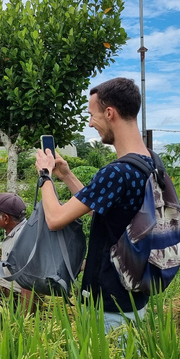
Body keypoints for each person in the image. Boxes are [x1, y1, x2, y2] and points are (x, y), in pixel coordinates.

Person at [34, 77, 152, 332]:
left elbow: (55, 218)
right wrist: (65, 174)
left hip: (109, 304)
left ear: (109, 113)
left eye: (92, 114)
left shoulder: (118, 172)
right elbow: (100, 206)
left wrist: (45, 175)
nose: (90, 123)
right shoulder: (150, 163)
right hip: (136, 292)